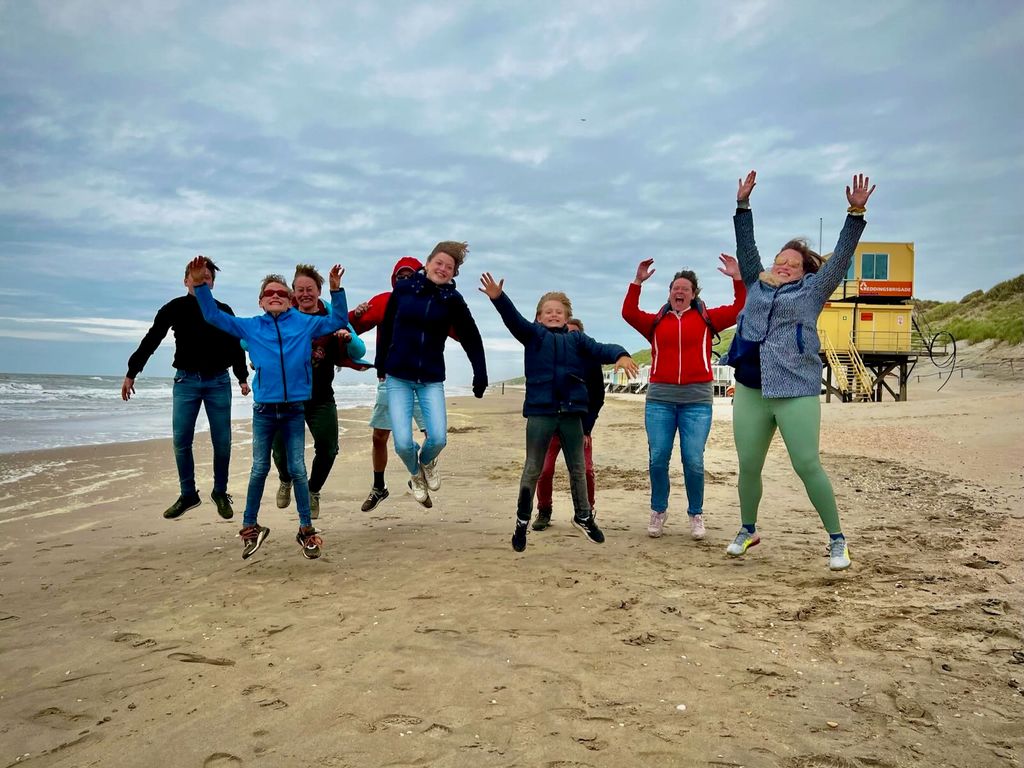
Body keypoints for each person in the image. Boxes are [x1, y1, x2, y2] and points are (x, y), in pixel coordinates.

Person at [722, 171, 876, 571]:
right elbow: (746, 245)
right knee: (749, 465)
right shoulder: (757, 284)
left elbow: (841, 256)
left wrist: (855, 213)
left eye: (792, 262)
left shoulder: (813, 289)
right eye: (780, 261)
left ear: (806, 270)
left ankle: (837, 540)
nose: (783, 265)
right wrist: (742, 206)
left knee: (807, 464)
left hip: (796, 388)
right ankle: (748, 528)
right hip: (751, 388)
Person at [188, 255, 349, 560]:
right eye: (269, 294)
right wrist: (199, 284)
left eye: (281, 294)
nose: (275, 297)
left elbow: (338, 321)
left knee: (299, 470)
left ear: (289, 301)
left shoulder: (303, 324)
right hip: (264, 411)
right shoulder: (251, 327)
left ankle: (306, 531)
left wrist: (336, 290)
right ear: (261, 302)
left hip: (293, 411)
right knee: (259, 469)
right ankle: (250, 528)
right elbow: (211, 315)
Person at [479, 274, 638, 552]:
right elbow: (513, 319)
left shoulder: (577, 340)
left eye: (559, 312)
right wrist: (498, 298)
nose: (554, 315)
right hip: (541, 413)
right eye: (548, 311)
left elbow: (602, 349)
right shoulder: (533, 335)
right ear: (539, 317)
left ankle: (583, 516)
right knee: (533, 469)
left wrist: (621, 354)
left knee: (578, 467)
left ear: (567, 318)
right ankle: (522, 521)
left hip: (571, 413)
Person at [622, 255, 745, 540]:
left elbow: (741, 307)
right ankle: (658, 511)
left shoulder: (707, 318)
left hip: (697, 400)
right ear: (669, 292)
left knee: (693, 461)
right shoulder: (655, 322)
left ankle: (696, 514)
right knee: (658, 459)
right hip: (660, 399)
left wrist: (737, 278)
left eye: (685, 289)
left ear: (693, 294)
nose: (679, 292)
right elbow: (628, 313)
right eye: (675, 288)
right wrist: (637, 281)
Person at [122, 258, 250, 521]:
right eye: (197, 277)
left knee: (222, 442)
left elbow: (235, 344)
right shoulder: (175, 308)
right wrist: (132, 372)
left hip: (218, 382)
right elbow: (152, 339)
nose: (203, 281)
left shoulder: (222, 309)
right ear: (186, 280)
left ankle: (220, 492)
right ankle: (188, 493)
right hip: (186, 382)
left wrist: (242, 377)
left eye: (207, 278)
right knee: (181, 441)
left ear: (213, 283)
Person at [374, 242, 488, 509]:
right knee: (402, 443)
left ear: (453, 274)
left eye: (449, 267)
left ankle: (426, 462)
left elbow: (471, 337)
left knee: (438, 438)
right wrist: (381, 364)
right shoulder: (403, 290)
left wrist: (480, 373)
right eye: (439, 263)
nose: (443, 269)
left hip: (431, 379)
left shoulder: (453, 301)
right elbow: (387, 326)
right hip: (398, 377)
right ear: (427, 263)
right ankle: (416, 475)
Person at [271, 264, 368, 520]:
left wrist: (347, 338)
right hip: (286, 396)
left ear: (318, 291)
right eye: (300, 290)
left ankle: (313, 491)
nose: (305, 294)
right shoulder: (283, 314)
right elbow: (248, 340)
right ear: (293, 292)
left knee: (328, 448)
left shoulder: (330, 315)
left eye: (310, 289)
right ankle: (285, 480)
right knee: (279, 451)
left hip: (320, 396)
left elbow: (359, 351)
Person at [348, 257, 428, 512]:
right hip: (390, 379)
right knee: (379, 436)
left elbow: (458, 328)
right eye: (399, 277)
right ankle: (379, 487)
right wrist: (355, 315)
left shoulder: (432, 301)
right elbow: (350, 330)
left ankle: (418, 474)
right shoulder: (384, 301)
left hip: (424, 380)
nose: (404, 280)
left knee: (434, 435)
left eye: (410, 275)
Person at [531, 316, 605, 530]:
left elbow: (598, 398)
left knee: (586, 470)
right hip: (550, 426)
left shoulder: (590, 362)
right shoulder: (549, 357)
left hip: (580, 427)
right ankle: (544, 510)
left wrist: (587, 429)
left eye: (574, 334)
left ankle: (586, 512)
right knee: (543, 470)